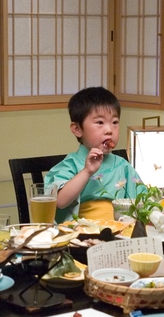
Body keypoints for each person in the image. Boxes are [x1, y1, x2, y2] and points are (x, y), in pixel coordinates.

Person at [44, 87, 146, 223]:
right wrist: (87, 172)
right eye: (100, 123)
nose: (109, 130)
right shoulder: (71, 164)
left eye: (115, 122)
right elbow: (60, 202)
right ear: (77, 129)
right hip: (80, 236)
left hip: (119, 234)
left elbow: (144, 200)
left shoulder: (122, 166)